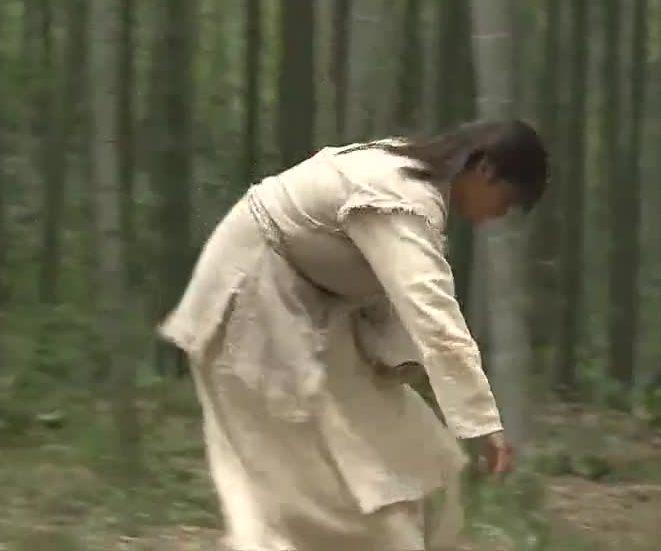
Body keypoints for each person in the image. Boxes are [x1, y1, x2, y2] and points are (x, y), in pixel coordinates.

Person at [158, 119, 549, 551]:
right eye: (506, 202)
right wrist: (483, 423)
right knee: (301, 485)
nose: (499, 216)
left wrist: (400, 362)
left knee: (388, 449)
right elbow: (434, 314)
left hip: (303, 307)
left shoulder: (409, 186)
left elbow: (391, 291)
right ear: (486, 169)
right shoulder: (400, 197)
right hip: (251, 296)